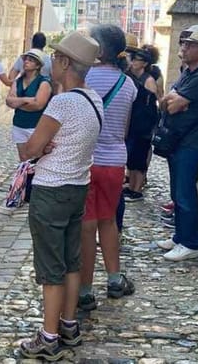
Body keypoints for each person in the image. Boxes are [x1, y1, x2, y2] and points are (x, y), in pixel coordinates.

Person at [17, 32, 103, 361]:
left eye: (55, 57)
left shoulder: (62, 101)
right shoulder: (93, 98)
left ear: (66, 63)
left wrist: (38, 147)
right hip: (78, 186)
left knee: (50, 267)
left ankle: (48, 336)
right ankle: (69, 324)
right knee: (71, 261)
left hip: (51, 189)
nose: (51, 61)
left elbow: (29, 149)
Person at [78, 25, 137, 312]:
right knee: (109, 220)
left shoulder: (84, 77)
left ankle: (86, 290)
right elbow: (124, 128)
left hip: (86, 160)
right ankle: (114, 279)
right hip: (115, 160)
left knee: (86, 226)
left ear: (98, 50)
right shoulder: (128, 84)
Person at [156, 26, 198, 261]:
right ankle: (180, 235)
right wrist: (173, 99)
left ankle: (189, 242)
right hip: (179, 139)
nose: (184, 47)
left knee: (185, 193)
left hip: (191, 141)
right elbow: (167, 101)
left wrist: (174, 100)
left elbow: (170, 104)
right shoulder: (189, 73)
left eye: (190, 45)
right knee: (177, 191)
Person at [6, 49, 52, 203]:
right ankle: (23, 190)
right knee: (24, 159)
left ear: (38, 65)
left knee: (37, 159)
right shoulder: (17, 81)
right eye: (26, 59)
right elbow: (9, 101)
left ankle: (36, 190)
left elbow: (39, 104)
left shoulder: (43, 82)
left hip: (36, 125)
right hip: (19, 124)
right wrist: (27, 100)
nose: (26, 62)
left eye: (30, 60)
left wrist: (19, 102)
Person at [122, 44, 160, 204]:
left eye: (136, 60)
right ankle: (131, 186)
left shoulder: (148, 80)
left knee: (139, 157)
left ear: (144, 63)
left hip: (142, 124)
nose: (133, 62)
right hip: (132, 122)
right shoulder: (130, 76)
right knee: (131, 156)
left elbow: (151, 104)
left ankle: (136, 189)